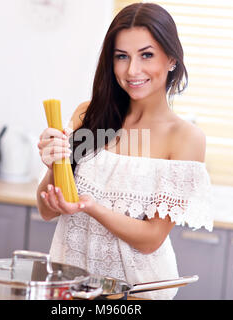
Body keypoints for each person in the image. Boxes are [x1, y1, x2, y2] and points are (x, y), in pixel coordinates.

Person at [36, 2, 213, 300]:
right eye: (122, 57)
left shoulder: (184, 137)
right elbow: (46, 210)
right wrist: (55, 162)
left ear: (171, 59)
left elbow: (151, 239)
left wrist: (90, 207)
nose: (132, 70)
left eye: (147, 55)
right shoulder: (88, 115)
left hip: (138, 293)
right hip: (70, 288)